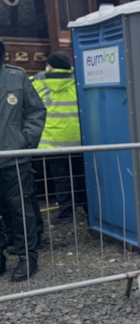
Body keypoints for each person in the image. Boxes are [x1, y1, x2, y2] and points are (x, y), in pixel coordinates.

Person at [0, 38, 47, 281]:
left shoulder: (16, 78)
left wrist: (25, 142)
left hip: (14, 159)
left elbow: (36, 111)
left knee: (21, 210)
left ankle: (27, 257)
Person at [31, 51, 84, 221]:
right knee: (81, 176)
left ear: (50, 66)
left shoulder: (37, 83)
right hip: (78, 139)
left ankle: (66, 213)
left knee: (61, 178)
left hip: (52, 141)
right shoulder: (78, 81)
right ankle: (88, 209)